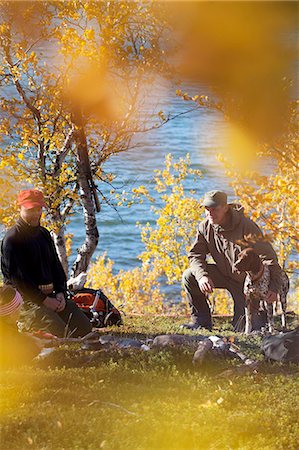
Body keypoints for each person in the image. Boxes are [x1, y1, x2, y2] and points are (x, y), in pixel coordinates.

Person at [181, 190, 283, 331]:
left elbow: (269, 257)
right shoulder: (205, 227)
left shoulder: (247, 226)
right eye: (206, 209)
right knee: (190, 276)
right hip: (223, 274)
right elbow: (195, 255)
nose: (210, 213)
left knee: (244, 328)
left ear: (225, 207)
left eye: (214, 209)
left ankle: (259, 316)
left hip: (246, 284)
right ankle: (201, 321)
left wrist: (273, 287)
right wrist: (202, 276)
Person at [1, 189, 92, 338]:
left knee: (85, 329)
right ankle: (26, 326)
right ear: (20, 208)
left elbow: (56, 267)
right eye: (30, 209)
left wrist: (61, 293)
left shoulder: (44, 234)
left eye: (39, 209)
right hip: (26, 303)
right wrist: (44, 301)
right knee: (62, 335)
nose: (36, 214)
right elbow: (20, 283)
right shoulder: (12, 240)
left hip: (51, 297)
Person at [0, 285, 41, 367]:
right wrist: (37, 346)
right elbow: (19, 355)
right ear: (11, 314)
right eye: (19, 308)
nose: (21, 311)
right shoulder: (7, 335)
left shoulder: (7, 327)